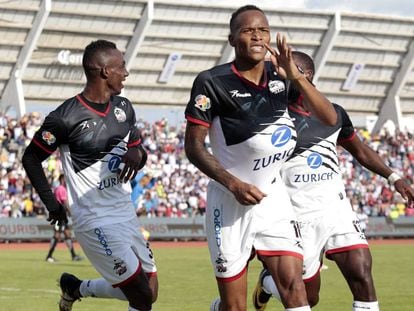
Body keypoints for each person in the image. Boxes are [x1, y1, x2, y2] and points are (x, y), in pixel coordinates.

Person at [184, 5, 337, 311]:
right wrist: (232, 183)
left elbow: (330, 118)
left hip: (273, 196)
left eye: (263, 30)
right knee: (235, 307)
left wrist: (298, 78)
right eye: (247, 30)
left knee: (296, 289)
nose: (257, 35)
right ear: (232, 39)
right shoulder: (211, 82)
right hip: (229, 202)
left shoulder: (282, 76)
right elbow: (194, 147)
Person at [252, 51, 414, 311]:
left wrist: (393, 177)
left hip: (336, 210)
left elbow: (360, 150)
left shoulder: (334, 113)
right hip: (297, 215)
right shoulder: (273, 115)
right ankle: (269, 283)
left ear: (306, 76)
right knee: (309, 297)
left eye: (284, 72)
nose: (278, 77)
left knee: (362, 273)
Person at [22, 39, 158, 311]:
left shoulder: (124, 107)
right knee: (141, 297)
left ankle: (76, 288)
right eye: (121, 66)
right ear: (105, 71)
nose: (126, 72)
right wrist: (52, 203)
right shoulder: (64, 118)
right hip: (94, 218)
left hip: (123, 211)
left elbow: (136, 150)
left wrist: (138, 155)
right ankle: (77, 288)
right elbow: (31, 158)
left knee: (149, 291)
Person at [45, 173, 83, 262]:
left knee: (67, 234)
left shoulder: (60, 189)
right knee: (57, 235)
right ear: (62, 179)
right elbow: (65, 202)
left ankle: (73, 256)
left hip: (62, 215)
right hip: (60, 215)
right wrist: (71, 212)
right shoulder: (61, 189)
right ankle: (49, 256)